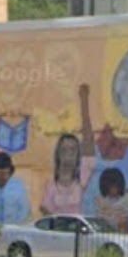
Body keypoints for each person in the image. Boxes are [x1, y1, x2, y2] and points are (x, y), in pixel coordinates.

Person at [40, 83, 96, 215]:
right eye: (64, 150)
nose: (68, 155)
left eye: (72, 150)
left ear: (78, 155)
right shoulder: (51, 185)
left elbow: (88, 140)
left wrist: (84, 101)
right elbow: (46, 213)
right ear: (58, 154)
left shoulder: (82, 179)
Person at [95, 166, 128, 231]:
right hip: (104, 231)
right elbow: (100, 218)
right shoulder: (99, 198)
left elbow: (124, 219)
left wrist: (109, 214)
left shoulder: (127, 198)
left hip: (121, 231)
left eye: (115, 186)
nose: (113, 189)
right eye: (110, 186)